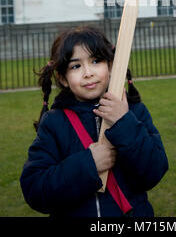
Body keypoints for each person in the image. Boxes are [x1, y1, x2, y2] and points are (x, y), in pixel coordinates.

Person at [20, 25, 168, 217]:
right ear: (63, 78)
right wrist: (89, 164)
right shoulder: (54, 123)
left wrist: (123, 122)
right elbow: (36, 191)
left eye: (96, 61)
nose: (88, 72)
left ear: (111, 66)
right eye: (76, 66)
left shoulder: (134, 113)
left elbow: (153, 172)